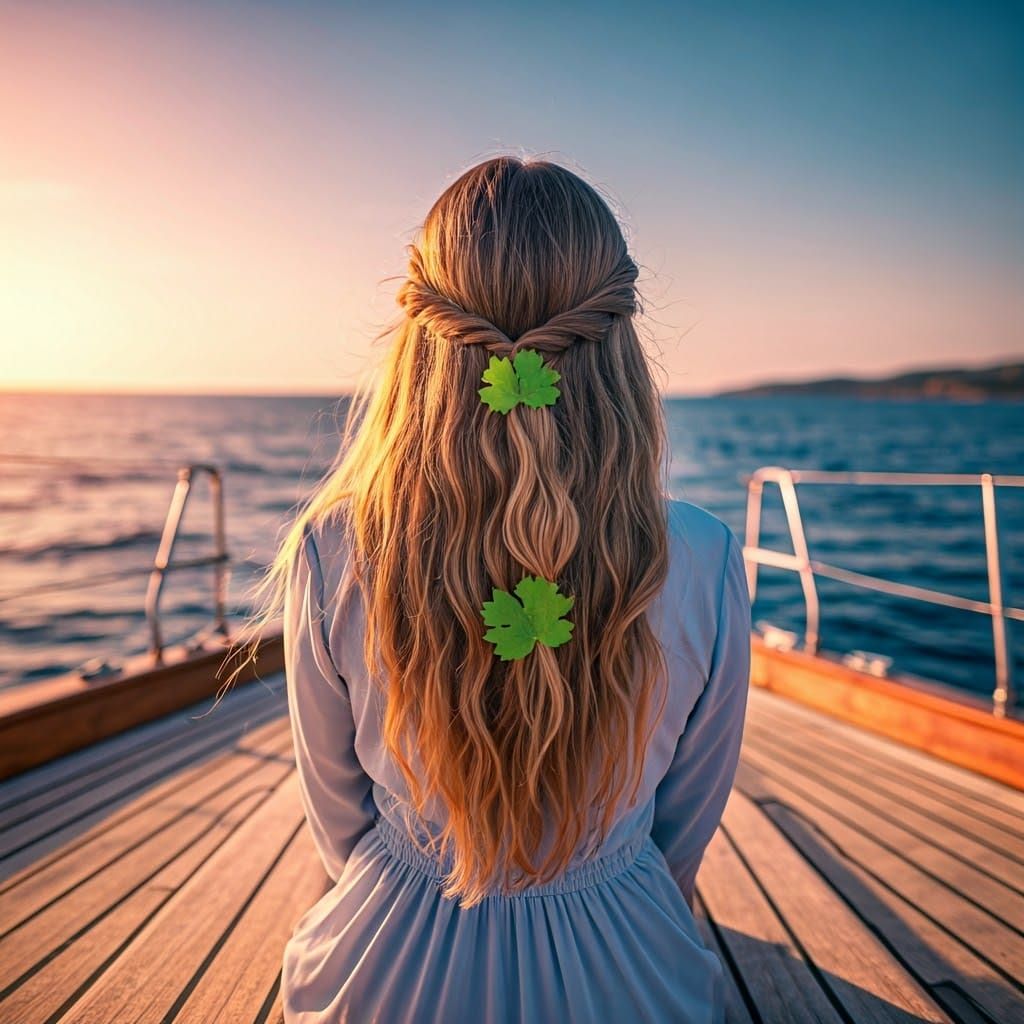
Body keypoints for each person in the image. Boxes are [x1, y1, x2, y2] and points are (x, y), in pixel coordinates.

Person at [249, 156, 750, 1022]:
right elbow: (684, 830)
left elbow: (338, 822)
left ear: (420, 340)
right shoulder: (702, 556)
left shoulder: (333, 549)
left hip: (386, 971)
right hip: (627, 969)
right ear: (620, 340)